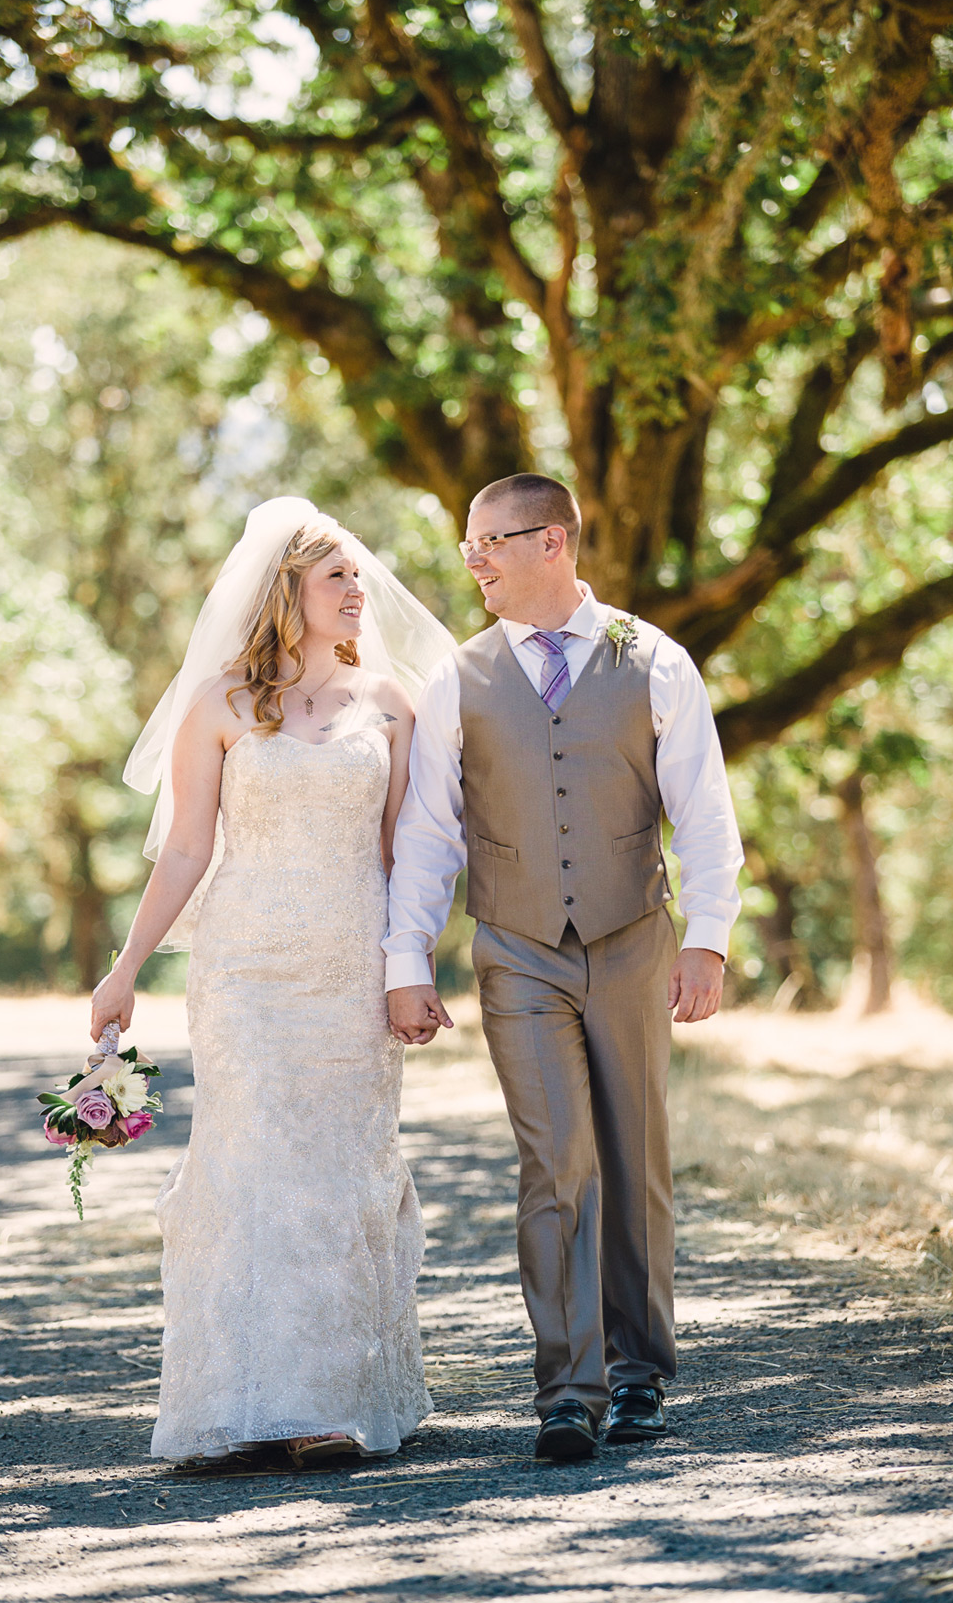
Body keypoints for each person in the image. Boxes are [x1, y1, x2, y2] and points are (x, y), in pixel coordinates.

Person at [385, 473, 743, 1461]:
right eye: (467, 547)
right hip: (515, 948)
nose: (474, 563)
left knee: (633, 1158)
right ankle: (567, 1390)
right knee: (556, 1163)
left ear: (552, 542)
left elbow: (703, 812)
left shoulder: (652, 659)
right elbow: (426, 833)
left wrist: (706, 938)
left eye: (487, 543)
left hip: (631, 939)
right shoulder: (458, 676)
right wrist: (402, 958)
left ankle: (637, 1378)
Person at [90, 497, 454, 1467]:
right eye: (334, 574)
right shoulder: (219, 704)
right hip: (242, 968)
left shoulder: (391, 706)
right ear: (283, 588)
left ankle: (326, 1404)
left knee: (338, 1173)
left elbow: (405, 855)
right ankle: (232, 1404)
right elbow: (184, 854)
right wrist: (124, 970)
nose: (355, 589)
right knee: (249, 1168)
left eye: (356, 576)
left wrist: (407, 969)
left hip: (347, 970)